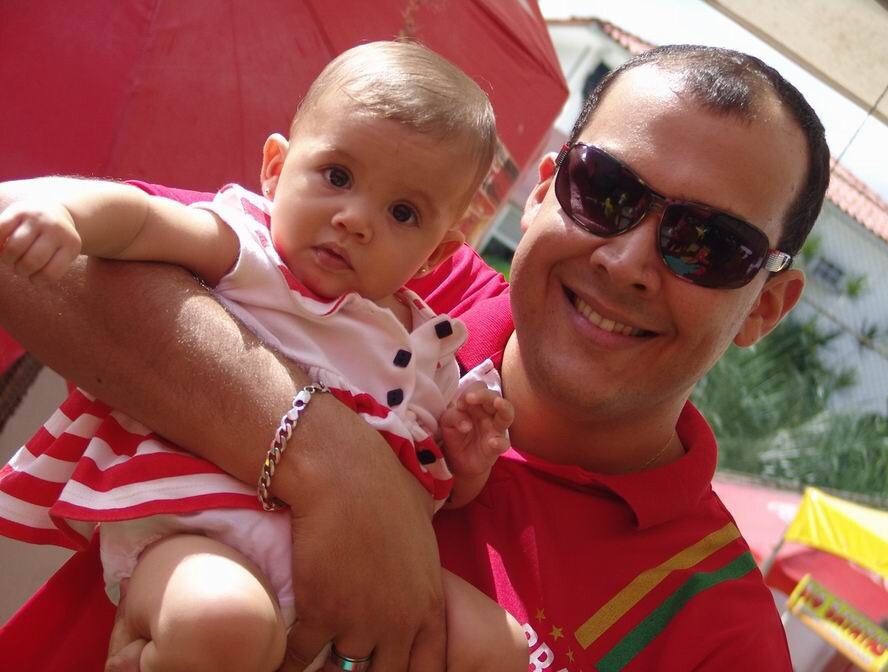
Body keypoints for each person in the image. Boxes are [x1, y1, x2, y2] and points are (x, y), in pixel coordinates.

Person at [0, 44, 830, 671]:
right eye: (606, 192)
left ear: (765, 305)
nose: (627, 262)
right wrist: (329, 462)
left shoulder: (721, 636)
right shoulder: (388, 281)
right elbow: (27, 247)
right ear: (545, 190)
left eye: (709, 245)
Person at [0, 41, 526, 672]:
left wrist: (465, 462)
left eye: (403, 212)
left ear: (435, 255)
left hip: (351, 581)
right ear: (276, 168)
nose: (355, 219)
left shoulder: (425, 346)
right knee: (224, 625)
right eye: (337, 176)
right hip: (202, 531)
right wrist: (64, 211)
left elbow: (433, 490)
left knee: (501, 648)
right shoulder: (248, 251)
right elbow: (142, 221)